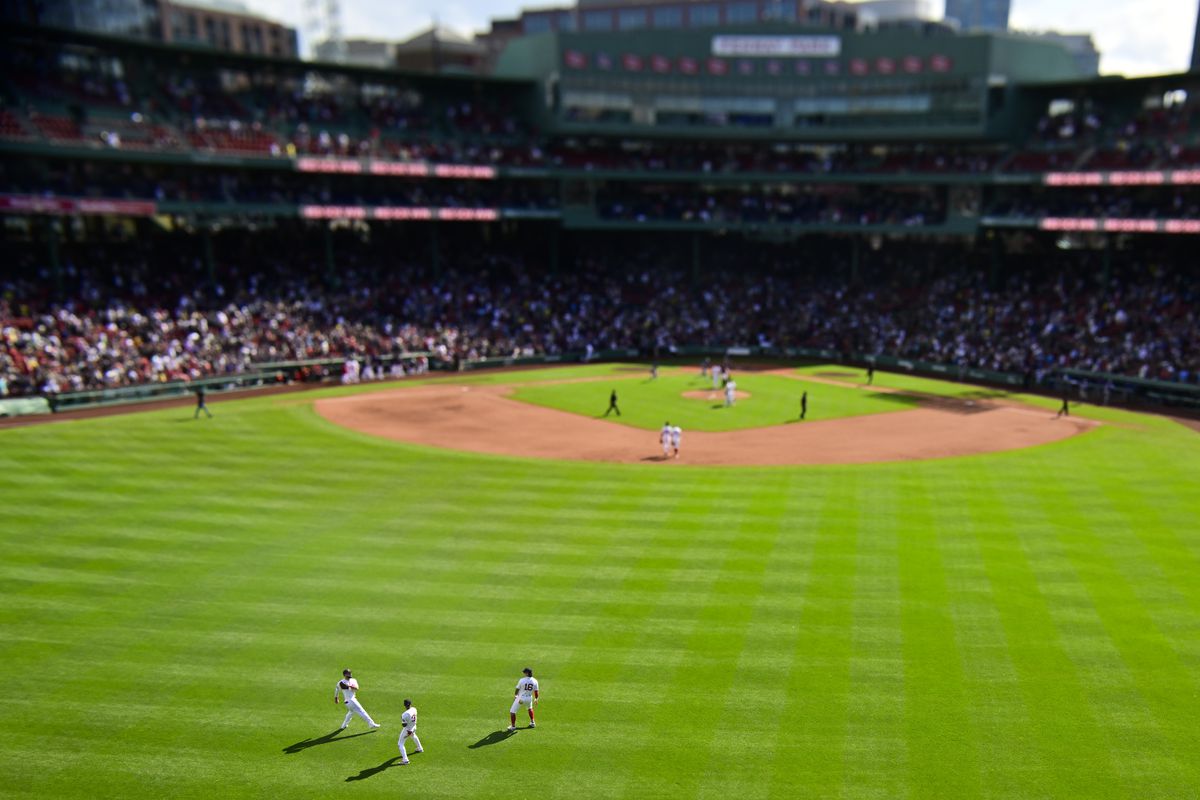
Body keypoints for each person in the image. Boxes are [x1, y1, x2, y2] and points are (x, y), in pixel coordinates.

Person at [398, 699, 423, 765]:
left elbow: (404, 725)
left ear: (404, 705)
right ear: (410, 704)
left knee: (400, 744)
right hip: (414, 727)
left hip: (407, 730)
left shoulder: (404, 714)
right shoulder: (414, 709)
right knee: (413, 735)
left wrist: (402, 719)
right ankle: (420, 748)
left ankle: (405, 760)